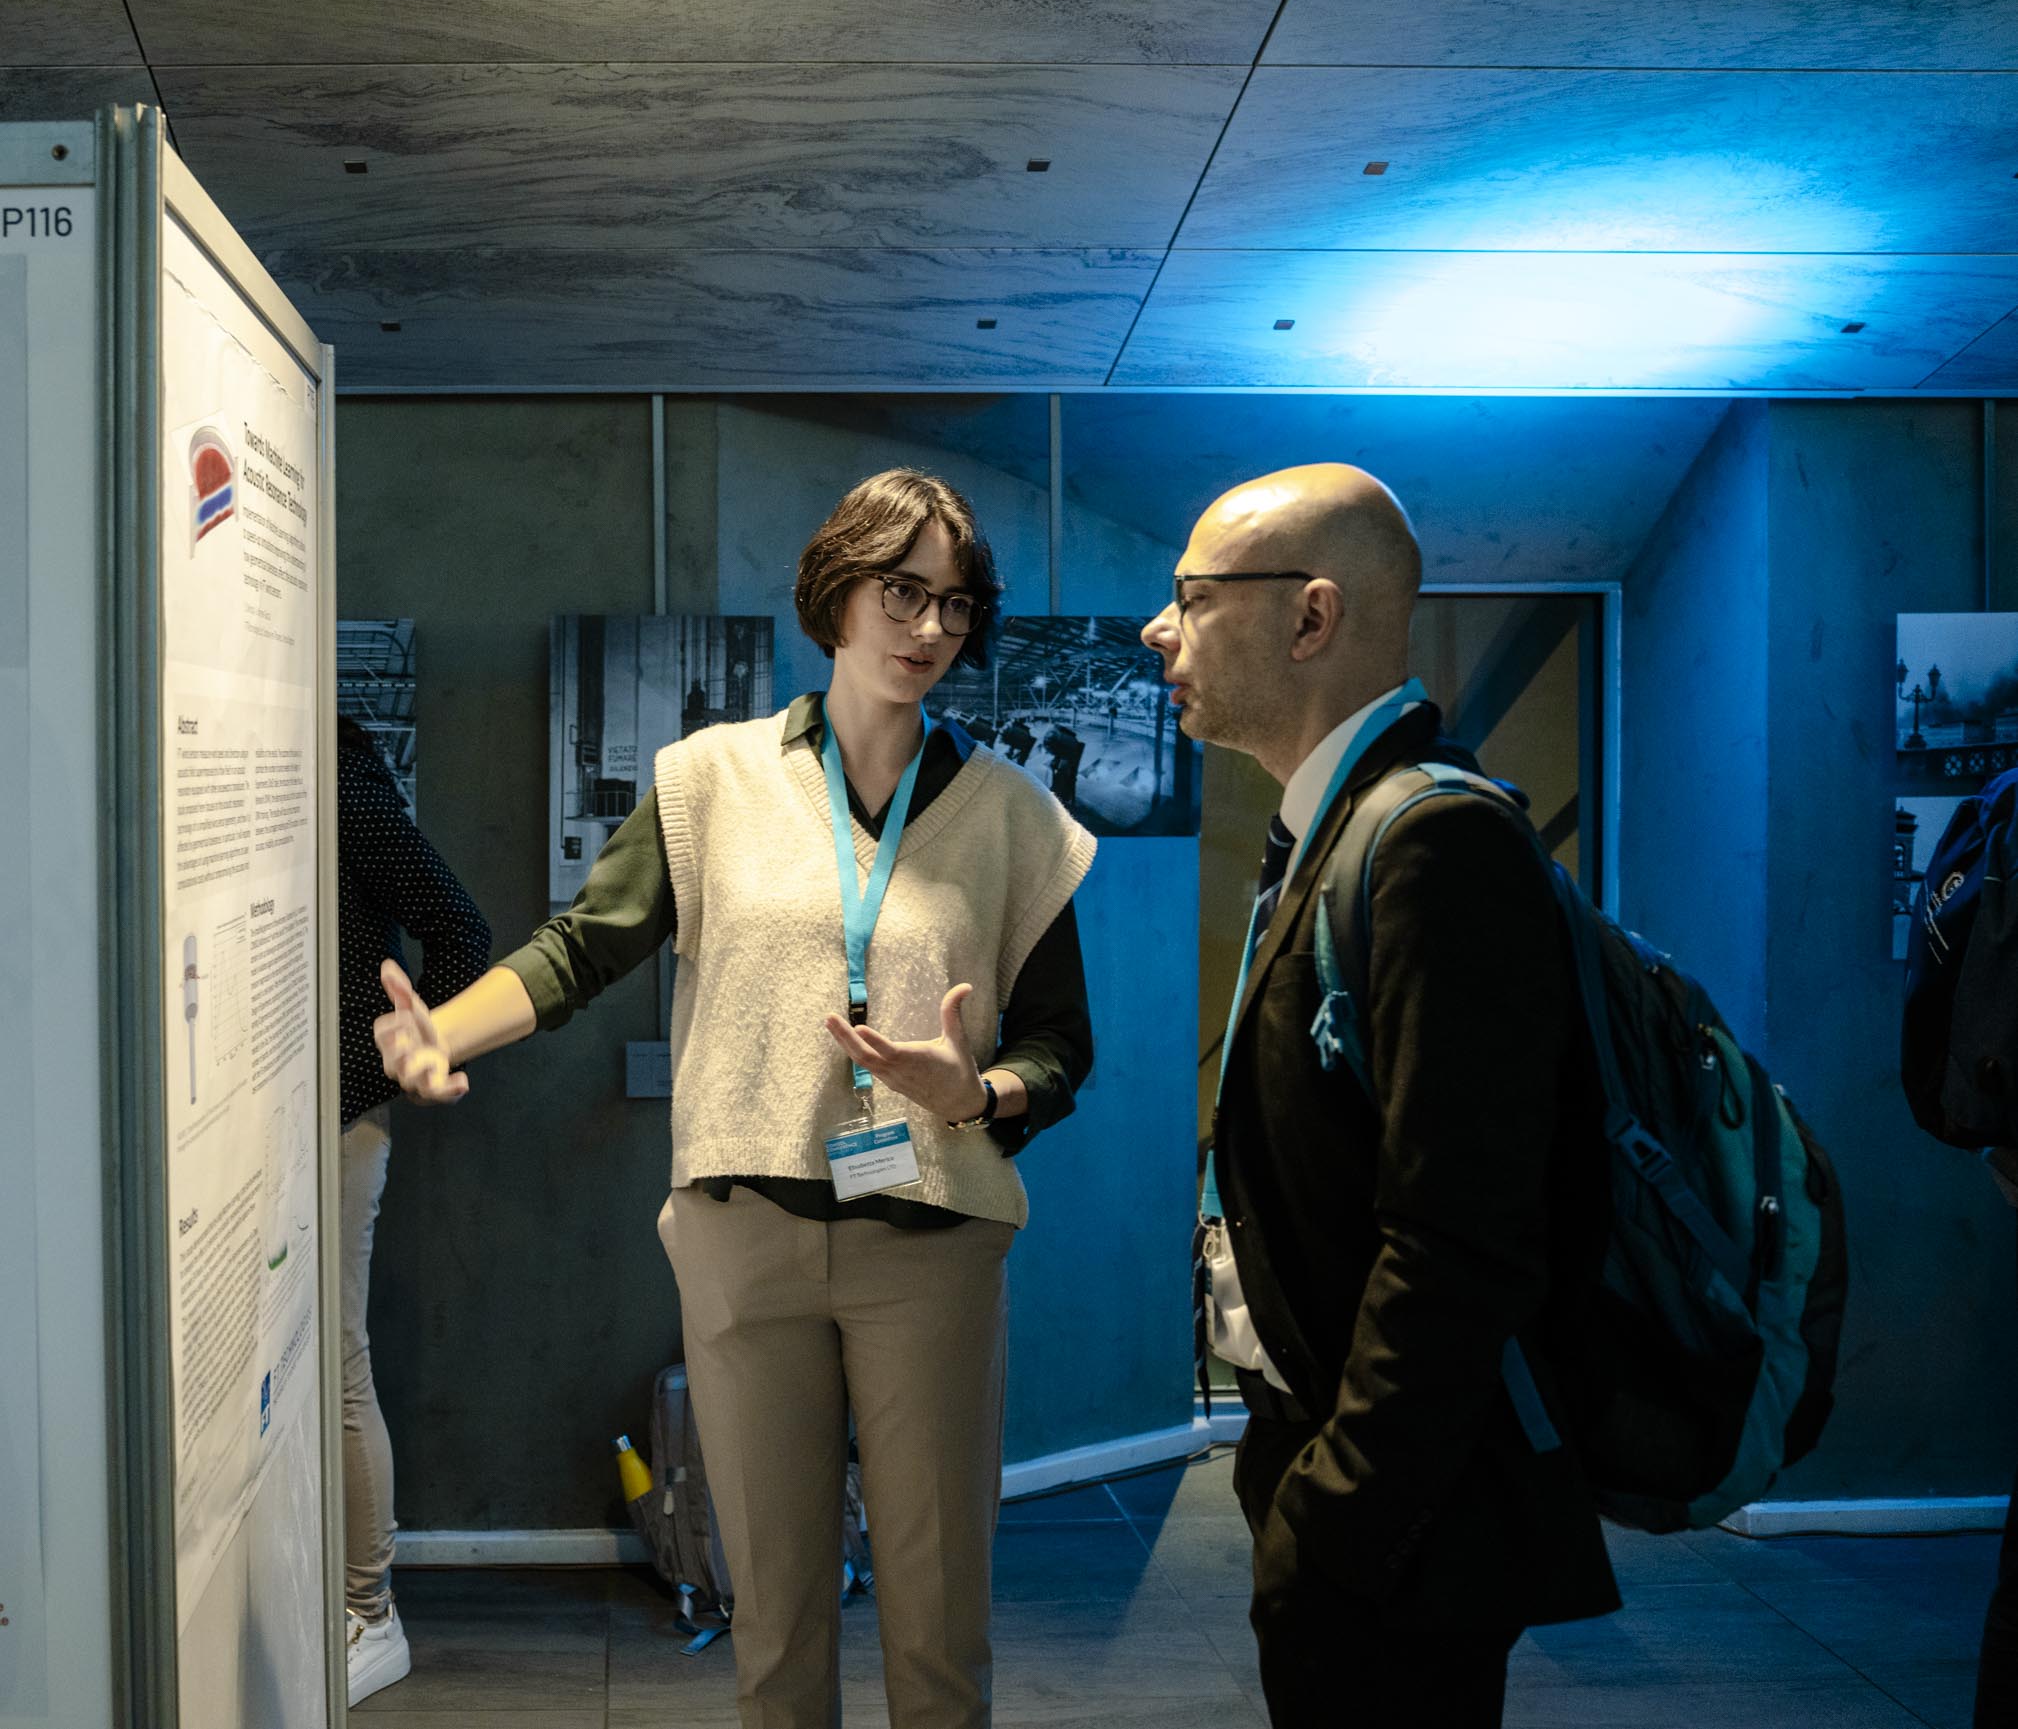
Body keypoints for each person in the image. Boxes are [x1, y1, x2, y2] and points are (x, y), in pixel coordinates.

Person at [373, 468, 1095, 1729]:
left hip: (929, 1234)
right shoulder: (710, 780)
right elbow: (583, 945)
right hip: (741, 1229)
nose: (928, 629)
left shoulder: (1013, 817)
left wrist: (972, 1089)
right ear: (835, 596)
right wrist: (447, 1030)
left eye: (954, 605)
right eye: (900, 593)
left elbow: (1058, 1048)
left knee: (937, 1623)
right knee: (770, 1613)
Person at [1138, 463, 1616, 1726]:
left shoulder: (1428, 841)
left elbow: (1460, 1237)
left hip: (1402, 1517)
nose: (1156, 629)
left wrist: (1337, 1511)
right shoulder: (1331, 828)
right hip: (1335, 1469)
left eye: (1190, 596)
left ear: (1309, 618)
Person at [333, 713, 492, 1706]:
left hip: (333, 1109)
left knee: (335, 1356)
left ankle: (366, 1608)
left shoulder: (335, 771)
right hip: (225, 1109)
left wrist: (378, 1067)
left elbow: (460, 929)